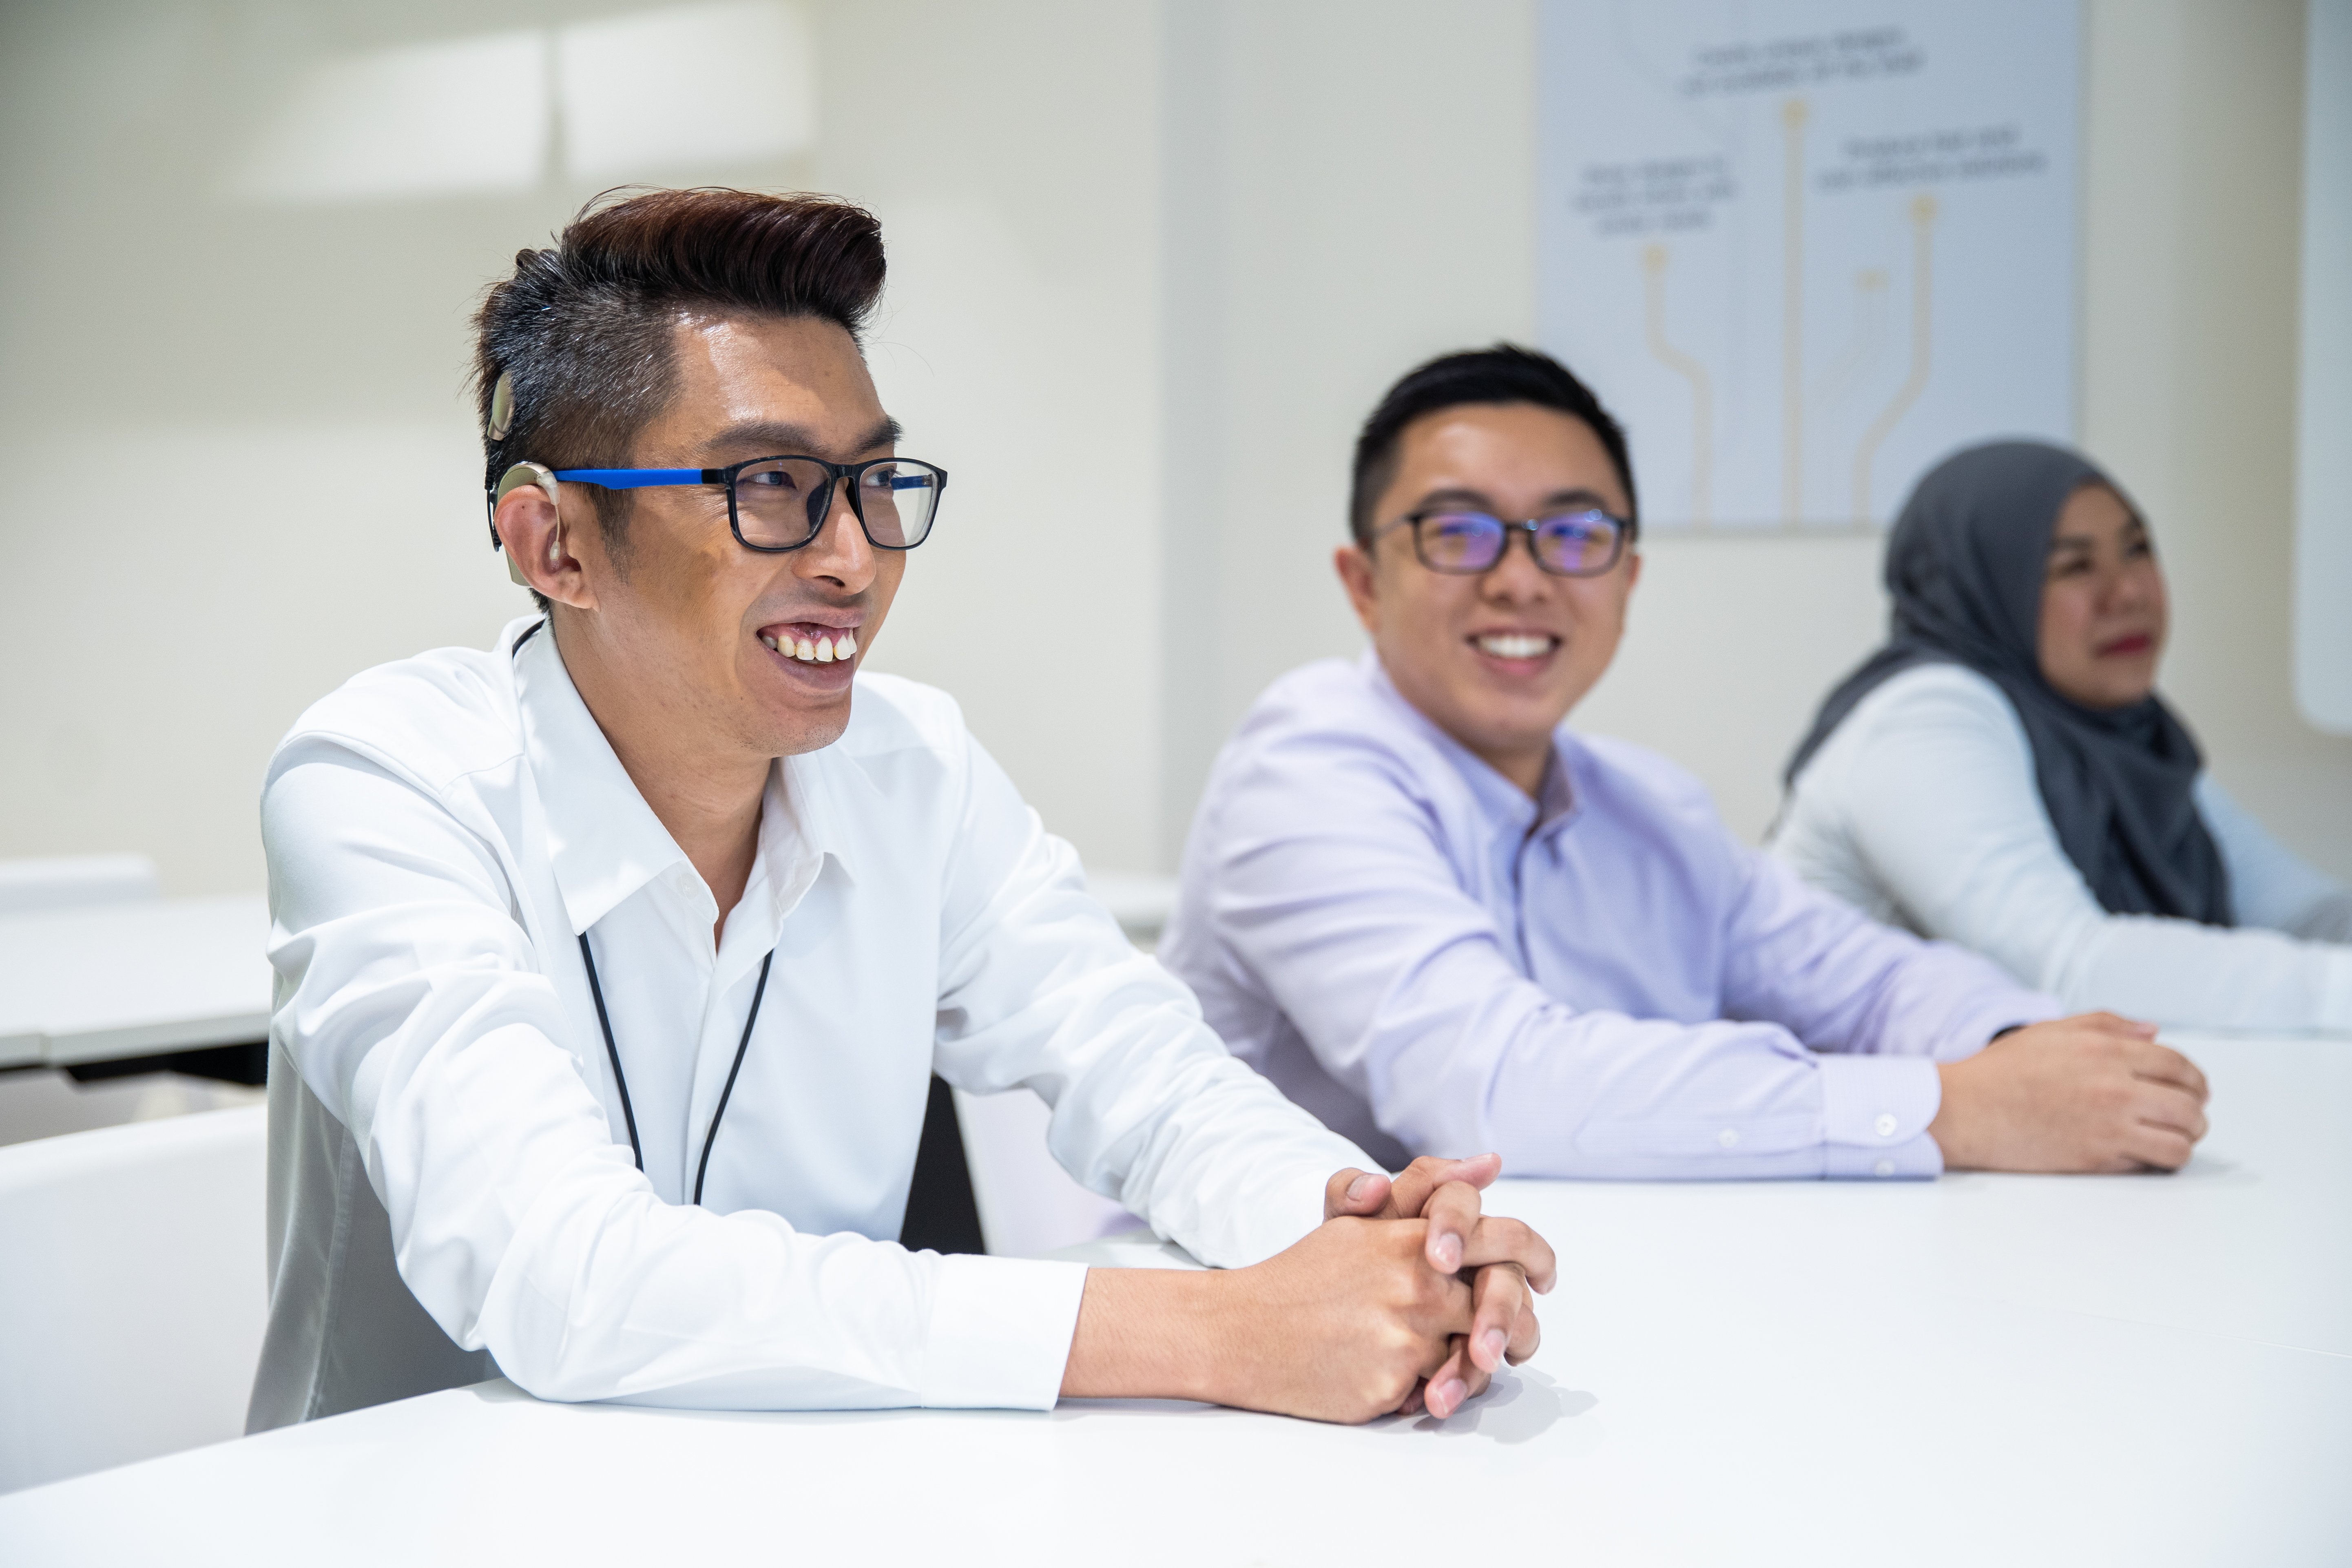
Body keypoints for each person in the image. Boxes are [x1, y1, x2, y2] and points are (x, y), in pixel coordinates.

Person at [248, 190, 1553, 1433]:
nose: (855, 558)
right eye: (767, 485)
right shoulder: (384, 779)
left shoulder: (912, 762)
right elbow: (562, 1275)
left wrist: (1373, 1236)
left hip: (823, 1492)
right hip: (430, 1512)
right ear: (556, 545)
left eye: (875, 482)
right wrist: (1216, 1328)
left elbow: (1149, 1075)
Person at [1159, 346, 2212, 1182]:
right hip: (1260, 1349)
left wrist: (2030, 1047)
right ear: (1362, 583)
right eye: (1460, 531)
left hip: (1544, 1316)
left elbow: (1868, 978)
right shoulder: (1303, 767)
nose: (1522, 577)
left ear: (1627, 578)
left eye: (1574, 534)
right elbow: (1500, 1091)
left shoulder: (1648, 803)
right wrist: (1955, 1105)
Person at [1772, 440, 2352, 1031]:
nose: (2127, 592)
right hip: (1852, 1107)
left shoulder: (2128, 733)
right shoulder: (1924, 719)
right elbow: (2068, 968)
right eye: (2075, 567)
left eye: (2137, 549)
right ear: (1986, 587)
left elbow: (2302, 913)